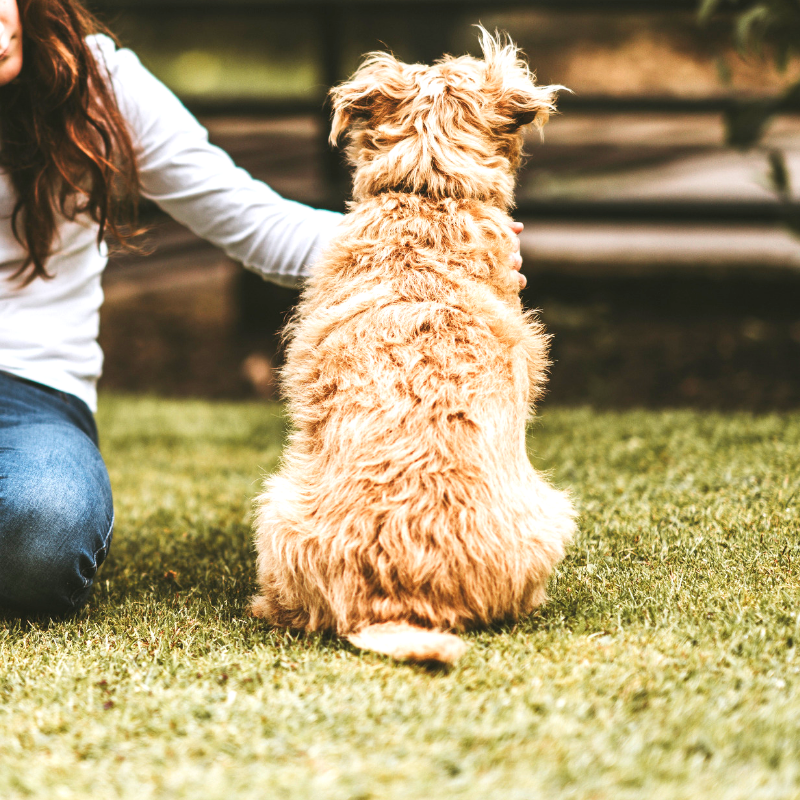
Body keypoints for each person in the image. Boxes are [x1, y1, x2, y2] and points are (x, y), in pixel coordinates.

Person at [0, 0, 526, 617]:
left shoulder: (99, 86)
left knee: (42, 535)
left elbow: (251, 220)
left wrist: (425, 243)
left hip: (32, 389)